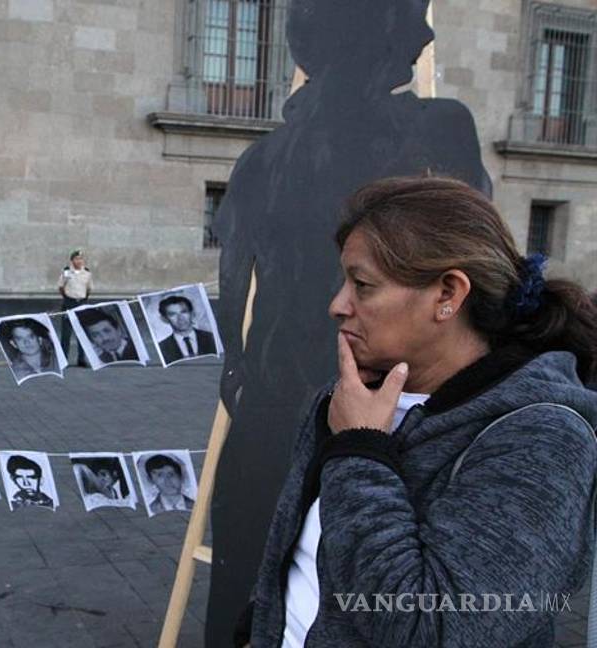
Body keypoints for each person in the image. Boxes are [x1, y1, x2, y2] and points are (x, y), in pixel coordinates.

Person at [237, 177, 597, 648]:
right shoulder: (350, 396)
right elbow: (303, 551)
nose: (337, 306)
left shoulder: (544, 437)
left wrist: (361, 452)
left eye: (362, 285)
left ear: (448, 294)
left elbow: (431, 628)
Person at [155, 295, 217, 365]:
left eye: (184, 312)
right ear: (165, 319)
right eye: (173, 314)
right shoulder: (161, 347)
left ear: (192, 314)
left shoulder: (212, 338)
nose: (180, 318)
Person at [57, 250, 92, 367]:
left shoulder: (87, 273)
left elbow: (89, 289)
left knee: (82, 332)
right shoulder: (66, 272)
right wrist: (68, 298)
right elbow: (61, 287)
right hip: (69, 303)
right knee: (66, 334)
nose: (79, 261)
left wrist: (82, 299)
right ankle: (64, 359)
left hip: (81, 303)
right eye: (77, 259)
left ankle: (81, 359)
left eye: (81, 259)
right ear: (72, 260)